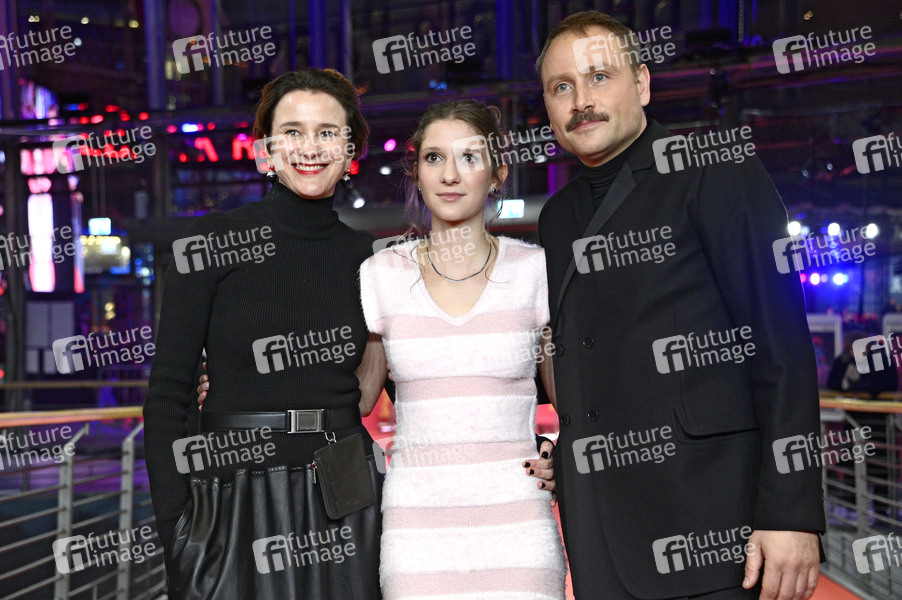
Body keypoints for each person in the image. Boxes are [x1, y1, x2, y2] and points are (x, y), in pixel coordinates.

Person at [535, 11, 825, 600]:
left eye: (599, 77)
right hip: (598, 534)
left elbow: (781, 346)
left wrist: (791, 512)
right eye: (562, 86)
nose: (581, 101)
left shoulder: (714, 170)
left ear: (642, 83)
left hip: (714, 525)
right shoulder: (557, 218)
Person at [144, 68, 385, 600]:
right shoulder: (211, 242)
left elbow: (418, 382)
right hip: (234, 495)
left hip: (346, 492)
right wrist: (177, 532)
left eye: (327, 132)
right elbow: (167, 396)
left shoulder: (369, 260)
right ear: (264, 152)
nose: (310, 147)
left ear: (351, 151)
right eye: (292, 131)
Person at [359, 99, 566, 599]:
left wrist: (564, 456)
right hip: (416, 534)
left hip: (519, 530)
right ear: (416, 172)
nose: (449, 175)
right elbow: (357, 396)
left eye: (469, 158)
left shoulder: (535, 270)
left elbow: (577, 402)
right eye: (434, 158)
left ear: (497, 174)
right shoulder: (382, 274)